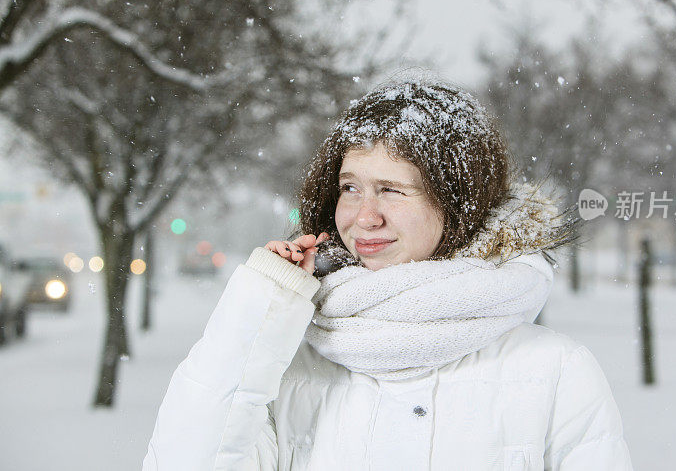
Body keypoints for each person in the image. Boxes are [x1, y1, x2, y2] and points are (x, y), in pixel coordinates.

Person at [143, 80, 633, 470]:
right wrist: (263, 307)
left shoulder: (553, 370)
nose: (364, 216)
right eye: (350, 187)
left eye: (393, 191)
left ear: (460, 204)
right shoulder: (289, 361)